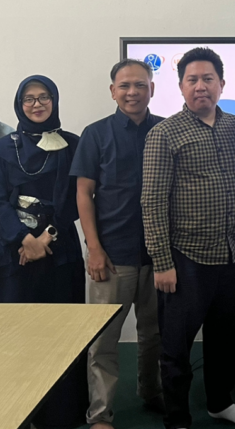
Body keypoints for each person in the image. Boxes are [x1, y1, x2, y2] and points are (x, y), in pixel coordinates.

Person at [141, 47, 235, 429]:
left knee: (228, 339)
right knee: (176, 347)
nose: (200, 86)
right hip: (186, 258)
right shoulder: (164, 134)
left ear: (221, 83)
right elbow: (152, 201)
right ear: (181, 86)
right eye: (192, 80)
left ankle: (220, 402)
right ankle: (177, 418)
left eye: (208, 79)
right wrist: (162, 263)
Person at [72, 59, 165, 429]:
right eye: (124, 86)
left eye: (140, 85)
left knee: (154, 334)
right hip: (112, 256)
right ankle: (100, 414)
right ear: (113, 91)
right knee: (104, 340)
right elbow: (83, 194)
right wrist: (94, 249)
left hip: (159, 256)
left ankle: (152, 391)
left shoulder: (165, 130)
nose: (132, 92)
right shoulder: (96, 134)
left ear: (151, 89)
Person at [0, 75, 87, 428]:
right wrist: (23, 239)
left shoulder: (72, 144)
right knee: (16, 335)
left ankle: (60, 414)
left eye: (44, 97)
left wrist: (45, 237)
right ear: (19, 104)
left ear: (54, 100)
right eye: (29, 98)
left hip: (59, 253)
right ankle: (16, 409)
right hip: (13, 254)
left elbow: (78, 198)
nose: (37, 104)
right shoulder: (2, 148)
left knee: (60, 333)